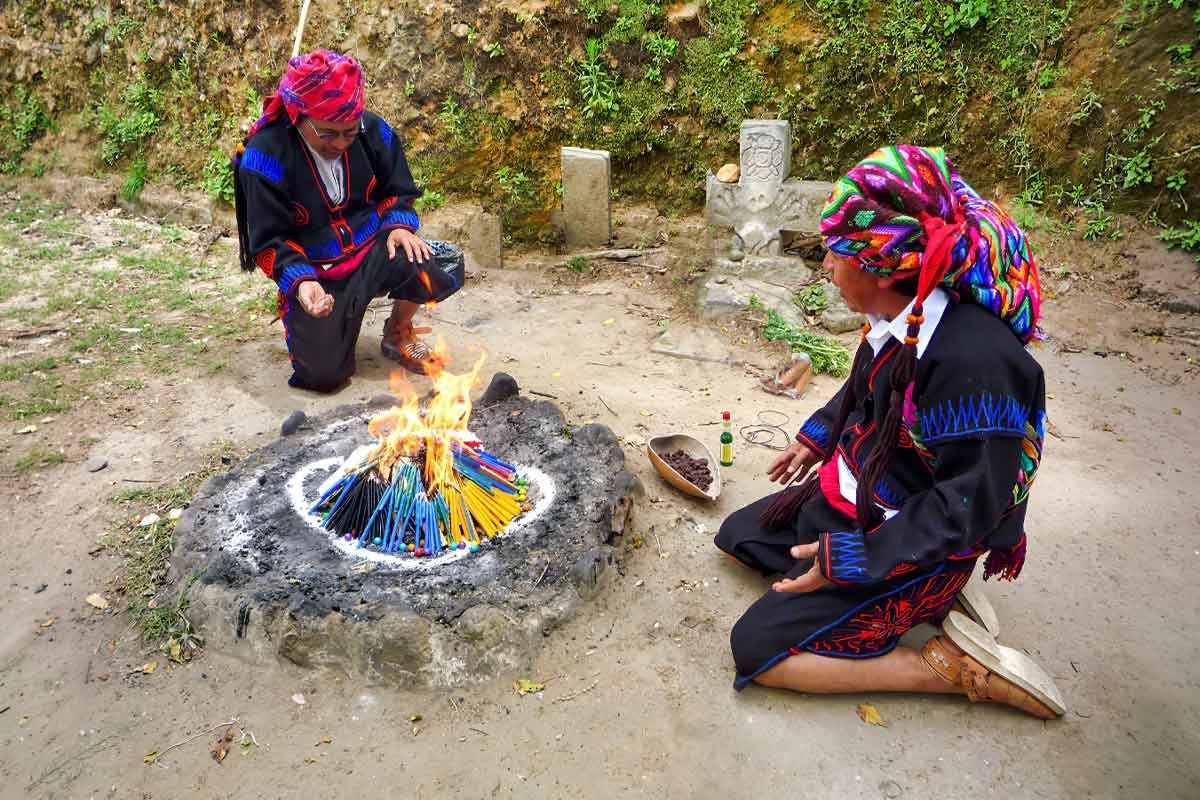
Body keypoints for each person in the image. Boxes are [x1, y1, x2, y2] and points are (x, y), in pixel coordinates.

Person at [714, 145, 1065, 719]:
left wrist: (857, 557)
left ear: (880, 267)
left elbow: (967, 507)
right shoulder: (904, 314)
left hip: (913, 532)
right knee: (740, 535)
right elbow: (865, 385)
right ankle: (870, 593)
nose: (826, 266)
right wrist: (821, 434)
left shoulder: (975, 365)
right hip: (866, 493)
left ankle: (944, 666)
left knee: (757, 647)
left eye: (835, 253)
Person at [233, 49, 464, 391]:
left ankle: (398, 332)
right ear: (299, 117)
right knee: (323, 377)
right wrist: (302, 283)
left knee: (440, 261)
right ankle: (321, 322)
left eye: (349, 132)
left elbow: (398, 189)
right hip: (318, 271)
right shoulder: (265, 156)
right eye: (327, 134)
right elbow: (270, 240)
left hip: (373, 249)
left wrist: (398, 225)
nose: (340, 143)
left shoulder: (373, 131)